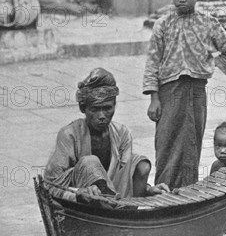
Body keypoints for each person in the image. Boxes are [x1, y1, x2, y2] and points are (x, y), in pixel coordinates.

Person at [143, 0, 226, 189]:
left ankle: (187, 190)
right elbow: (152, 62)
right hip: (169, 92)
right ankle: (163, 190)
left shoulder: (208, 23)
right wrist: (154, 98)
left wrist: (209, 64)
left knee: (191, 142)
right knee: (166, 141)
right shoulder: (162, 24)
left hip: (196, 91)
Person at [45, 68, 168, 205]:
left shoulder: (122, 133)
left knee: (141, 164)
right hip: (84, 202)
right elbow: (50, 185)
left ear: (114, 105)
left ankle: (132, 212)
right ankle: (113, 210)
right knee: (90, 162)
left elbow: (125, 177)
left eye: (107, 108)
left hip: (115, 198)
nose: (102, 116)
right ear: (83, 109)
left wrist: (147, 190)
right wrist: (77, 193)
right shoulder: (69, 135)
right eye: (95, 109)